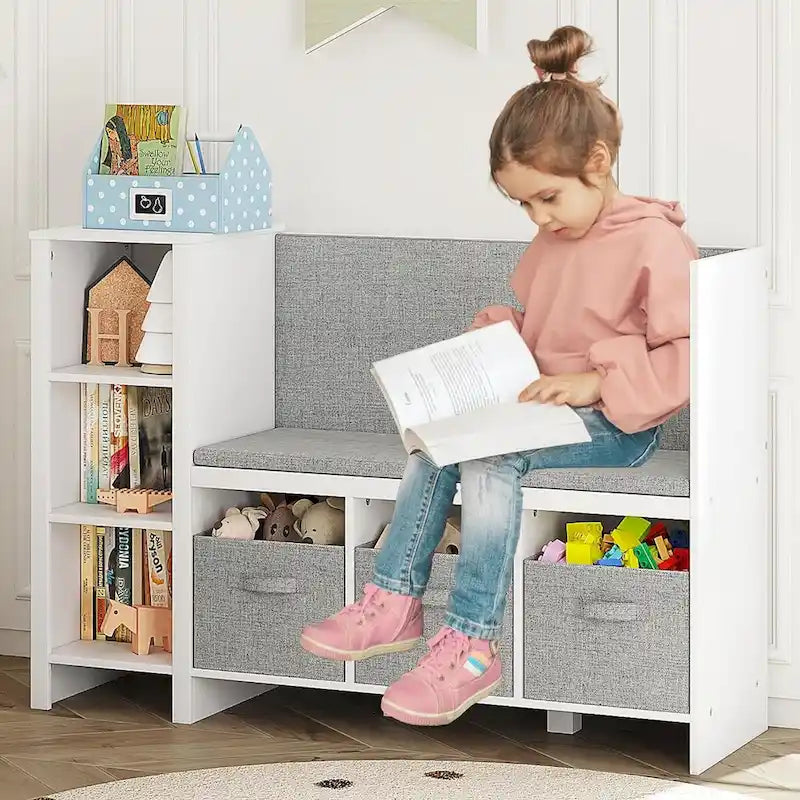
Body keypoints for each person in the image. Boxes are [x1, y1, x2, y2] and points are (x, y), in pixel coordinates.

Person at [300, 25, 697, 727]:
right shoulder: (557, 237)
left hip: (614, 423)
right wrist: (497, 344)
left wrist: (597, 381)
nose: (538, 218)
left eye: (547, 198)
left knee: (489, 460)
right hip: (536, 408)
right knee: (437, 441)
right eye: (523, 206)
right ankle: (392, 600)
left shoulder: (656, 242)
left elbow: (686, 351)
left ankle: (474, 642)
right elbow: (543, 320)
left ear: (598, 162)